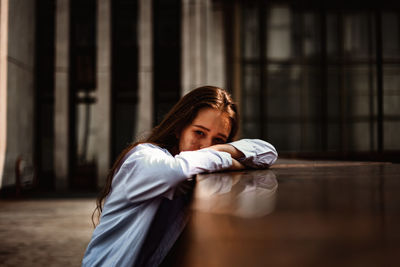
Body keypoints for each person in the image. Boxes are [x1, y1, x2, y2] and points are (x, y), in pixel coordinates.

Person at [82, 86, 278, 267]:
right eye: (199, 132)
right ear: (179, 128)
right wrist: (231, 160)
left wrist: (223, 150)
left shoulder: (197, 163)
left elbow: (268, 152)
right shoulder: (142, 157)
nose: (206, 146)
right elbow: (174, 173)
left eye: (218, 139)